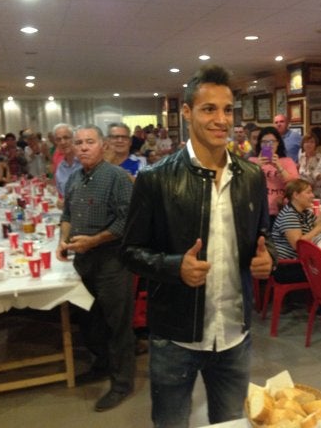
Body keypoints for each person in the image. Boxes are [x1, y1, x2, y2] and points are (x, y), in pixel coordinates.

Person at [120, 65, 276, 428]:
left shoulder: (250, 177)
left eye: (227, 110)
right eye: (209, 109)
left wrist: (268, 262)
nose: (221, 120)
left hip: (235, 335)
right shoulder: (155, 179)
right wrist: (175, 267)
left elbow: (263, 244)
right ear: (187, 112)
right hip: (175, 339)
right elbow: (129, 252)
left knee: (232, 423)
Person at [56, 124, 135, 412]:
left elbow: (127, 221)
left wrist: (94, 240)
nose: (83, 147)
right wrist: (63, 240)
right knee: (90, 320)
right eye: (79, 143)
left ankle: (122, 383)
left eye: (89, 142)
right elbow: (67, 214)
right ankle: (101, 365)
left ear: (103, 145)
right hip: (83, 260)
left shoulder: (117, 178)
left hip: (111, 260)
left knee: (118, 325)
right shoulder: (75, 177)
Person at [271, 179, 321, 283]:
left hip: (300, 261)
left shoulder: (304, 212)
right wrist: (319, 228)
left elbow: (318, 223)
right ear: (296, 195)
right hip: (287, 266)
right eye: (308, 192)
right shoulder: (289, 214)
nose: (313, 196)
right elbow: (298, 245)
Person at [249, 126, 299, 226]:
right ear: (260, 143)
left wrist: (279, 166)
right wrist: (257, 167)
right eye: (264, 142)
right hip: (259, 210)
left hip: (282, 209)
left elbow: (295, 184)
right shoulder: (252, 161)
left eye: (272, 142)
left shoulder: (287, 161)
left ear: (278, 143)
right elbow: (246, 183)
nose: (268, 145)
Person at [297, 133, 321, 197]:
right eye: (306, 142)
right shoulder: (301, 156)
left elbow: (320, 180)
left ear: (316, 144)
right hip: (301, 192)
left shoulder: (320, 159)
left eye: (312, 142)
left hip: (315, 194)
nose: (308, 144)